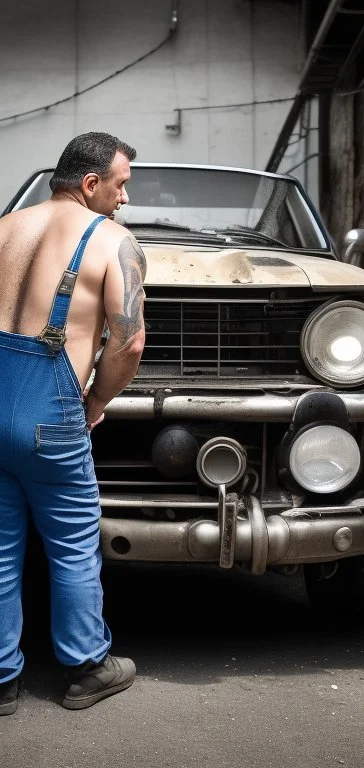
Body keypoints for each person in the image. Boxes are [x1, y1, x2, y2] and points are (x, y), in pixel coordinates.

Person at [0, 132, 146, 715]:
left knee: (1, 546)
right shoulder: (113, 241)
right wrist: (95, 401)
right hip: (52, 412)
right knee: (72, 543)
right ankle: (88, 665)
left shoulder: (4, 227)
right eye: (121, 185)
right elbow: (128, 342)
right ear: (91, 184)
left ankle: (3, 680)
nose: (125, 199)